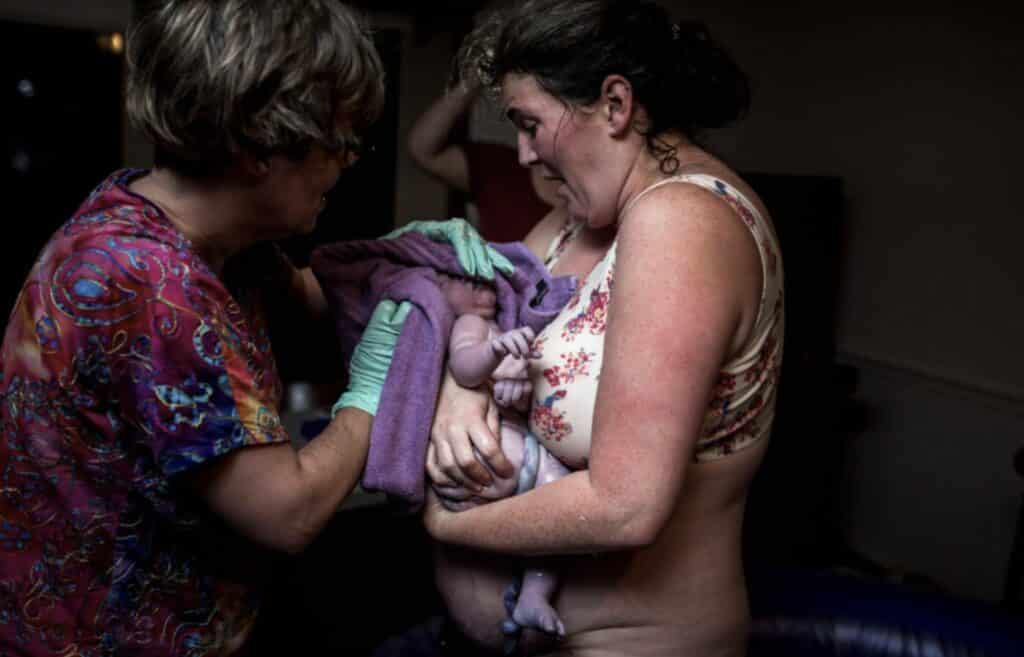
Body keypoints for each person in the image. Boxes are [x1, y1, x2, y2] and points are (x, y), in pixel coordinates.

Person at [0, 2, 510, 656]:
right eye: (339, 142)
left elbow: (312, 298)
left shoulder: (182, 226)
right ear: (257, 146)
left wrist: (403, 261)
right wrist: (380, 377)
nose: (347, 163)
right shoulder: (150, 282)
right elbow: (288, 511)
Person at [422, 1, 785, 656]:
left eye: (530, 124)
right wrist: (458, 396)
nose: (524, 153)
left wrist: (449, 522)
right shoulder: (576, 220)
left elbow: (625, 505)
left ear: (615, 105)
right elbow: (478, 313)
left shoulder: (681, 221)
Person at [434, 272, 570, 641]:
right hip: (488, 462)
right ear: (439, 287)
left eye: (489, 282)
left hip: (526, 455)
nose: (485, 289)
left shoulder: (504, 326)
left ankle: (533, 596)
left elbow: (524, 403)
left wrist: (518, 385)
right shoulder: (471, 324)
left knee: (557, 504)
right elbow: (464, 367)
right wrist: (496, 351)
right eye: (469, 281)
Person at [408, 78, 561, 243]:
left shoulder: (580, 209)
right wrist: (474, 78)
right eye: (519, 125)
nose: (525, 157)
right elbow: (422, 150)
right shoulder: (500, 168)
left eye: (532, 126)